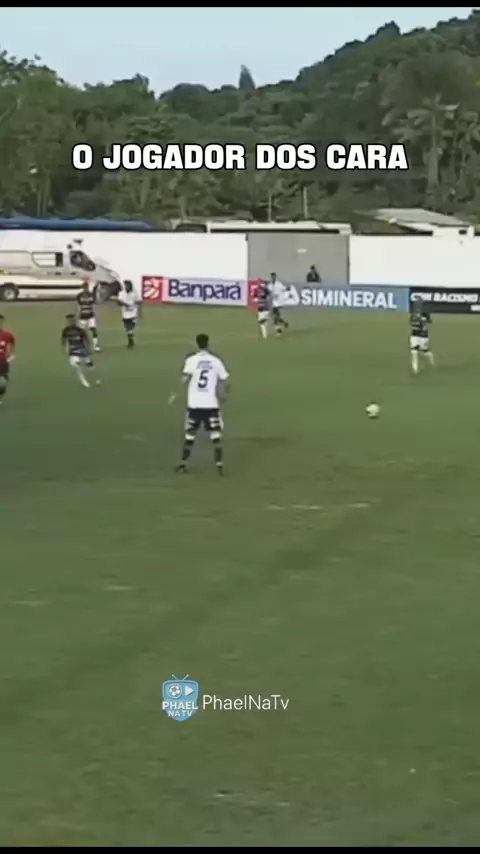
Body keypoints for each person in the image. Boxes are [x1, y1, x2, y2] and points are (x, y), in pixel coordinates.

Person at [169, 333, 230, 475]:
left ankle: (183, 465)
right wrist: (224, 395)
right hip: (211, 404)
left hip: (194, 404)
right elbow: (226, 380)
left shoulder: (191, 360)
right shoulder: (215, 361)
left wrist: (174, 394)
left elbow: (184, 379)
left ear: (196, 344)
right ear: (208, 343)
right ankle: (219, 467)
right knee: (215, 436)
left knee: (190, 435)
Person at [61, 313, 101, 388]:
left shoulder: (80, 330)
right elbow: (64, 341)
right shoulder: (66, 331)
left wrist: (88, 348)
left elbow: (86, 340)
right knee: (78, 365)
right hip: (73, 352)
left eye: (71, 320)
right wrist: (66, 349)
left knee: (90, 366)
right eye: (69, 321)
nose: (70, 322)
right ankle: (83, 380)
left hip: (82, 350)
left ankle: (96, 378)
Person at [409, 296, 435, 375]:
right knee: (414, 352)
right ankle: (415, 370)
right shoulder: (413, 314)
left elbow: (430, 321)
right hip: (414, 335)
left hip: (423, 336)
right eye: (416, 303)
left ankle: (432, 361)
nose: (417, 305)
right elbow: (411, 323)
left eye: (418, 303)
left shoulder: (425, 314)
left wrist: (424, 320)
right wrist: (416, 322)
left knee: (424, 351)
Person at [76, 281, 101, 351]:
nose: (85, 288)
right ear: (82, 288)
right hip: (82, 315)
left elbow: (95, 302)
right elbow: (78, 305)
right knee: (81, 331)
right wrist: (77, 314)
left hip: (90, 315)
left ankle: (95, 345)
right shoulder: (79, 295)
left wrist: (96, 288)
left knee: (93, 329)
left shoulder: (91, 295)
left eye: (86, 287)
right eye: (84, 287)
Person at [118, 280, 140, 349]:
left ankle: (130, 341)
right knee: (127, 328)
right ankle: (131, 340)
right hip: (125, 313)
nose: (126, 287)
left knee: (130, 327)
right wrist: (125, 304)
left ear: (130, 286)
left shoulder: (134, 294)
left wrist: (134, 304)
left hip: (133, 313)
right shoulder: (121, 293)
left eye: (127, 285)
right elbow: (119, 302)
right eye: (125, 285)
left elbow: (138, 301)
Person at [0, 314, 16, 406]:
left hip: (3, 363)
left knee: (3, 383)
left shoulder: (8, 335)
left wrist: (10, 356)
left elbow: (11, 348)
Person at [268, 272, 290, 336]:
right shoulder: (270, 285)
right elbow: (269, 292)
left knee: (275, 317)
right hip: (274, 302)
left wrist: (287, 288)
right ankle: (284, 323)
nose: (273, 278)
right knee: (276, 316)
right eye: (272, 277)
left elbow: (284, 288)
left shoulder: (279, 284)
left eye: (274, 277)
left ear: (275, 277)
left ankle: (279, 331)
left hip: (280, 301)